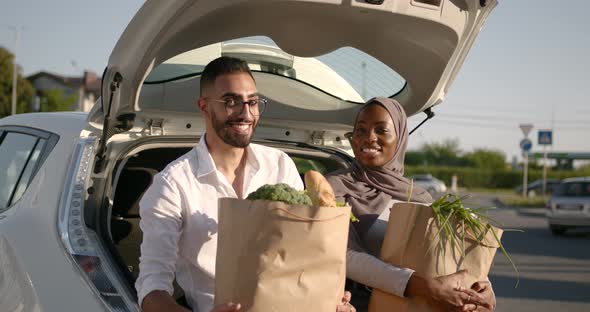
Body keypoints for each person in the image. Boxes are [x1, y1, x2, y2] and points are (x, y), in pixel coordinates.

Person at [136, 56, 353, 312]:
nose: (246, 113)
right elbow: (152, 290)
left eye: (252, 102)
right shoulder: (173, 184)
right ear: (204, 106)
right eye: (230, 102)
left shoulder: (280, 165)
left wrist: (329, 296)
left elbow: (306, 254)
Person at [326, 97, 496, 312]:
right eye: (360, 130)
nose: (369, 138)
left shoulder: (418, 196)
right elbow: (343, 255)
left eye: (381, 130)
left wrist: (482, 286)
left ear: (400, 138)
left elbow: (449, 253)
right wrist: (424, 288)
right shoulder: (333, 187)